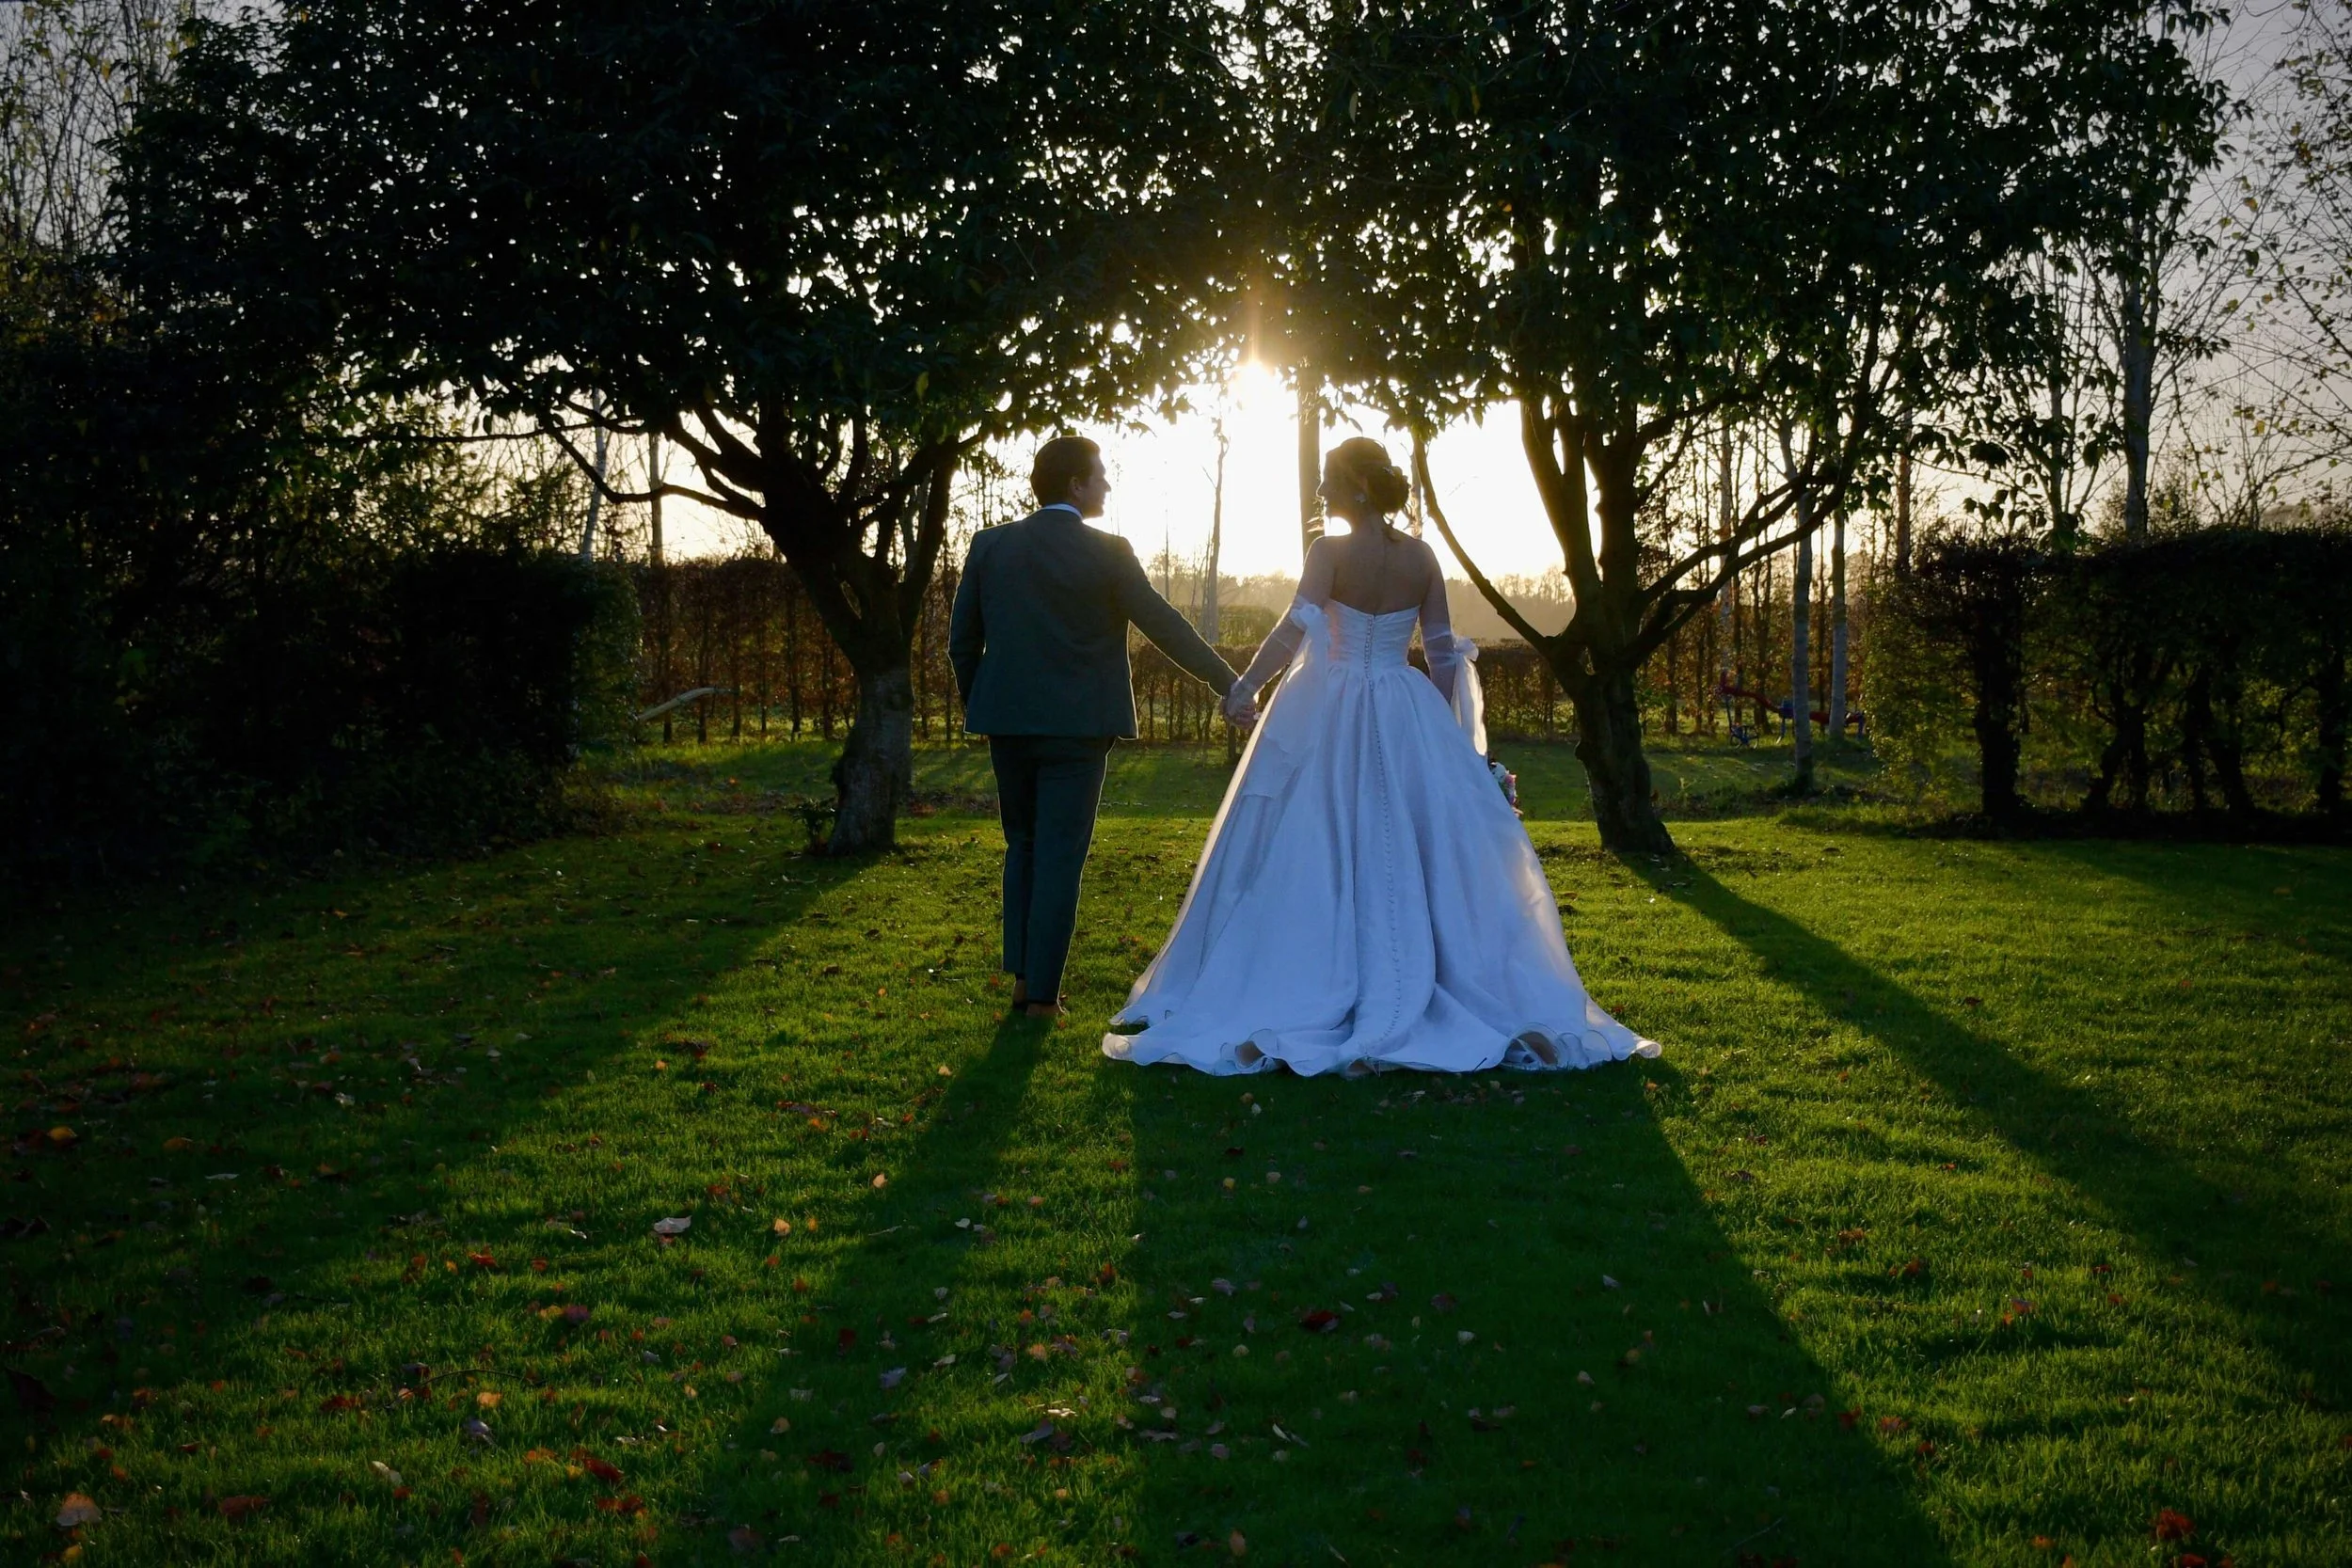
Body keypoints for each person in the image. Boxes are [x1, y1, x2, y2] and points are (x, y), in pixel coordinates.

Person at [1104, 436, 1661, 1075]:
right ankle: (1426, 972)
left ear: (1357, 488)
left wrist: (1244, 687)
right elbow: (1445, 651)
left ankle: (1319, 973)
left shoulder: (1330, 552)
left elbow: (1295, 626)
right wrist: (1450, 737)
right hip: (1405, 702)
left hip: (1333, 703)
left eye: (1329, 483)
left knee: (1318, 834)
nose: (1321, 495)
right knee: (1414, 843)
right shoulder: (1422, 557)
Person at [950, 436, 1251, 1020]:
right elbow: (1164, 625)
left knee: (1024, 846)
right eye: (1101, 476)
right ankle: (1042, 997)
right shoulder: (1109, 552)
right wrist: (1228, 681)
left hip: (1007, 726)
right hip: (1079, 729)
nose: (1107, 486)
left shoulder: (990, 547)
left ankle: (1022, 983)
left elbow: (963, 641)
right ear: (1074, 485)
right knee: (1061, 854)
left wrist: (985, 703)